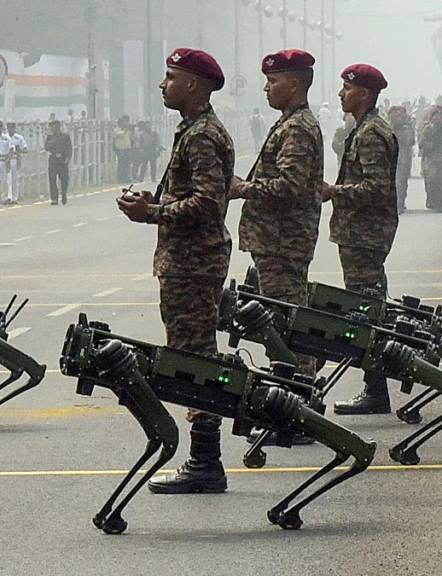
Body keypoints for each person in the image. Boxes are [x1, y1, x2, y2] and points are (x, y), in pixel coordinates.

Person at [116, 48, 234, 495]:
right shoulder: (193, 130)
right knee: (192, 356)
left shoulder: (202, 135)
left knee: (194, 360)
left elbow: (207, 203)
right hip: (189, 261)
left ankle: (206, 462)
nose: (162, 85)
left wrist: (151, 213)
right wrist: (156, 202)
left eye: (170, 77)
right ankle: (203, 459)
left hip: (193, 263)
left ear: (193, 85)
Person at [229, 49, 323, 379]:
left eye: (272, 81)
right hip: (278, 241)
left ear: (294, 84)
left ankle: (295, 404)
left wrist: (243, 188)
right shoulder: (289, 124)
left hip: (282, 242)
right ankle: (293, 397)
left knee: (286, 328)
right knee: (283, 324)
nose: (266, 88)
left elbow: (290, 187)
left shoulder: (296, 128)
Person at [322, 64, 400, 416]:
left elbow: (377, 188)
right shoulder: (364, 128)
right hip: (361, 232)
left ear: (364, 94)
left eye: (347, 88)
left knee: (366, 311)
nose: (341, 94)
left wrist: (333, 192)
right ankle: (375, 385)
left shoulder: (370, 133)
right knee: (366, 309)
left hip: (365, 234)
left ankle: (376, 390)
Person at [418, 105, 442, 212]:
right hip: (430, 159)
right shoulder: (427, 129)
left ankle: (440, 203)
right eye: (435, 115)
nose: (437, 118)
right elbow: (421, 143)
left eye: (439, 115)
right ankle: (431, 199)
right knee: (431, 180)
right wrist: (432, 143)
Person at [388, 105, 416, 214]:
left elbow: (410, 141)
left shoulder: (406, 128)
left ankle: (399, 203)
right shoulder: (386, 127)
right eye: (394, 113)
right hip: (389, 159)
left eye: (398, 113)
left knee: (401, 182)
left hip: (402, 158)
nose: (396, 116)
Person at [44, 120, 73, 205]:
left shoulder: (65, 137)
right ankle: (54, 198)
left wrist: (68, 158)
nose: (52, 129)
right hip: (53, 159)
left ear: (58, 127)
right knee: (52, 179)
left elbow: (69, 148)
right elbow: (46, 147)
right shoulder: (50, 137)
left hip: (62, 159)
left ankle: (64, 195)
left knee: (64, 179)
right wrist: (51, 143)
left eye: (54, 126)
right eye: (51, 127)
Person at [4, 123, 27, 205]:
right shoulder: (4, 137)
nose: (10, 129)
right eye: (9, 127)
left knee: (15, 179)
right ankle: (8, 197)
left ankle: (14, 197)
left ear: (14, 128)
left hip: (15, 159)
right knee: (7, 179)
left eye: (12, 127)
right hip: (6, 160)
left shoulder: (19, 138)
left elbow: (25, 150)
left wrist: (19, 150)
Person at [113, 116, 133, 183]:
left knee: (127, 164)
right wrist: (126, 129)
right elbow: (121, 135)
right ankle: (121, 178)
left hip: (127, 149)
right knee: (121, 165)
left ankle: (127, 177)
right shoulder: (116, 130)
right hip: (120, 150)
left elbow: (130, 137)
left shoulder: (126, 130)